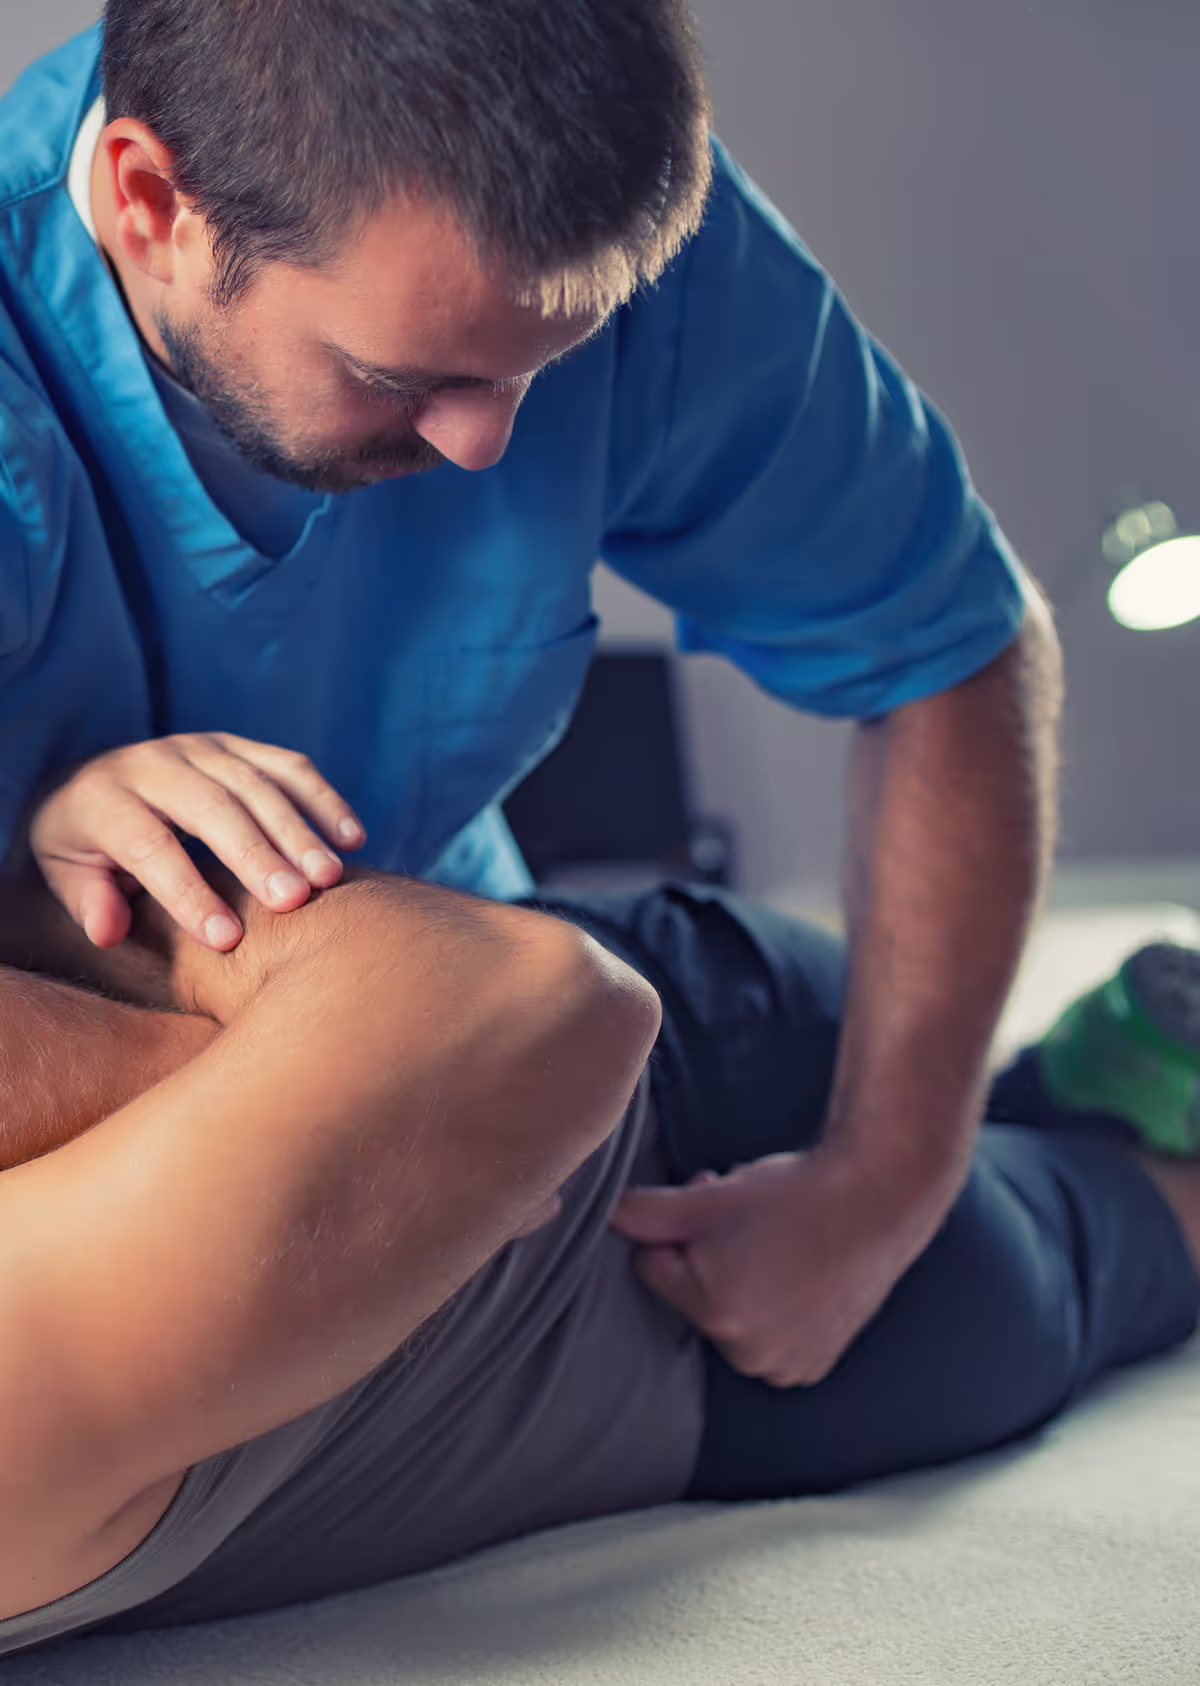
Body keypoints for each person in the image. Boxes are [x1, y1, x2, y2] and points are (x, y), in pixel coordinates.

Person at [0, 0, 1064, 1423]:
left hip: (538, 1005)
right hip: (408, 1064)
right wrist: (374, 1121)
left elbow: (951, 637)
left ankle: (1134, 1092)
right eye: (403, 378)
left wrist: (885, 1183)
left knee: (961, 1283)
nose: (490, 442)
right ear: (151, 202)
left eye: (544, 368)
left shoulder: (600, 244)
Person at [0, 824, 1197, 1658]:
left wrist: (400, 1112)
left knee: (1002, 1137)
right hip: (742, 1305)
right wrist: (378, 1094)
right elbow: (517, 1019)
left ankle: (1056, 1088)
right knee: (1112, 1198)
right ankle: (1088, 1080)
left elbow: (524, 1023)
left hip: (672, 1036)